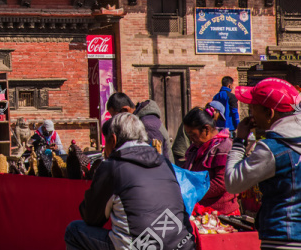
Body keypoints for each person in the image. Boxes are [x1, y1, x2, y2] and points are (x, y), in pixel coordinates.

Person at [65, 113, 195, 250]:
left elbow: (91, 217)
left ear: (113, 140)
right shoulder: (164, 163)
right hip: (183, 244)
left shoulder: (112, 167)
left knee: (74, 231)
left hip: (141, 247)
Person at [225, 78, 301, 249]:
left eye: (253, 109)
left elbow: (233, 183)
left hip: (282, 238)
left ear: (269, 113)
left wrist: (239, 142)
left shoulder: (272, 149)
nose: (251, 115)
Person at [182, 106, 239, 216]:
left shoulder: (224, 147)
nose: (191, 139)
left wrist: (193, 190)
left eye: (193, 134)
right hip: (200, 210)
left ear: (206, 129)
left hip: (222, 213)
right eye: (188, 135)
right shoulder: (196, 149)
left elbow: (222, 183)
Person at [105, 92, 173, 162]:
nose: (116, 121)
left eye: (116, 117)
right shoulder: (138, 122)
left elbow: (154, 160)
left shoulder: (147, 124)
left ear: (125, 110)